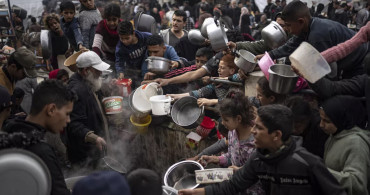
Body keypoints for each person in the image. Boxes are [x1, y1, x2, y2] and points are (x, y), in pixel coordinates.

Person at [179, 104, 347, 195]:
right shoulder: (259, 159)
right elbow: (232, 186)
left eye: (258, 128)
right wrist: (195, 193)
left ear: (276, 135)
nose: (253, 132)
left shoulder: (307, 163)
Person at [2, 80, 76, 195]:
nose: (68, 120)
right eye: (67, 114)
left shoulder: (10, 133)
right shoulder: (42, 152)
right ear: (51, 109)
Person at [266, 1, 367, 80]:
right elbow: (291, 45)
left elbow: (328, 72)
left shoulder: (317, 36)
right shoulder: (308, 26)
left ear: (301, 21)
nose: (287, 29)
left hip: (361, 60)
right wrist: (270, 55)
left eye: (288, 25)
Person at [199, 90, 264, 195]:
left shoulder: (257, 138)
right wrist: (214, 159)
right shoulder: (232, 133)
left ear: (238, 118)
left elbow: (261, 168)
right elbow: (231, 156)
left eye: (226, 120)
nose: (223, 123)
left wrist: (240, 171)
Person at [66, 51, 109, 167]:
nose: (100, 74)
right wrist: (94, 138)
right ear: (86, 71)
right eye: (97, 70)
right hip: (85, 154)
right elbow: (73, 124)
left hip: (94, 149)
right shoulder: (77, 90)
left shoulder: (87, 82)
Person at [320, 95, 369, 195]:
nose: (321, 125)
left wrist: (321, 172)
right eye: (321, 119)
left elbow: (357, 183)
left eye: (327, 121)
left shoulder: (356, 143)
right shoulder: (334, 135)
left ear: (342, 119)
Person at [168, 54, 241, 107]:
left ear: (232, 70)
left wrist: (211, 101)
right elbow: (200, 92)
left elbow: (233, 101)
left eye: (222, 68)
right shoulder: (217, 83)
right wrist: (176, 96)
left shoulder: (238, 83)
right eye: (218, 67)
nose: (218, 70)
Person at [92, 3, 121, 73]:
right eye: (109, 20)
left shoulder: (122, 26)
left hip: (120, 56)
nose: (111, 23)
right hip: (105, 56)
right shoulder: (101, 25)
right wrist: (96, 62)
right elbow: (96, 45)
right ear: (105, 19)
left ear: (119, 18)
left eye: (114, 20)